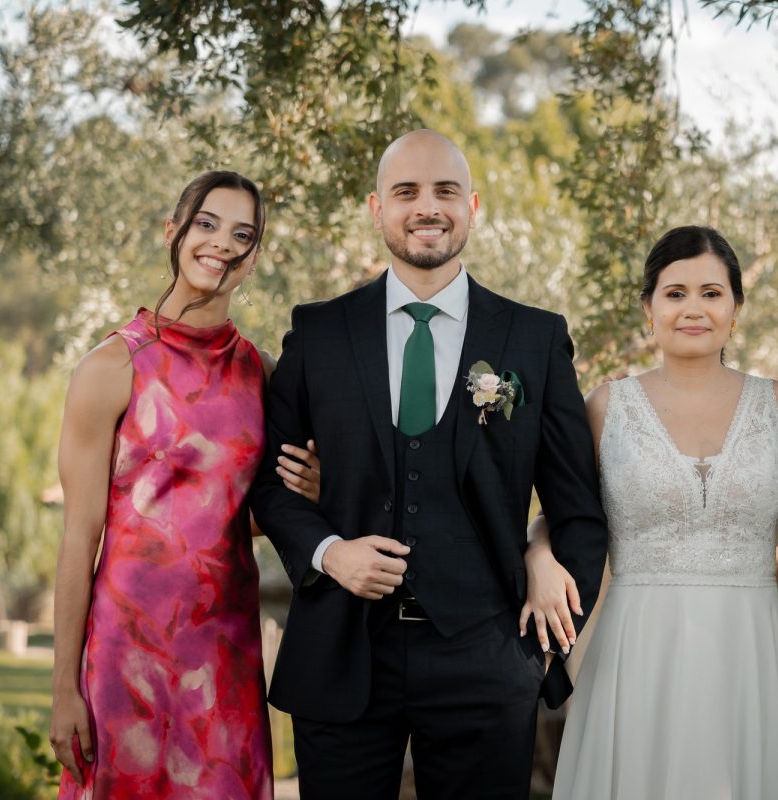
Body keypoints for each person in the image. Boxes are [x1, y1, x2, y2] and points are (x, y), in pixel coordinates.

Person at [248, 129, 609, 799]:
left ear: (472, 206)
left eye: (445, 191)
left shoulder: (533, 338)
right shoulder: (320, 332)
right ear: (376, 209)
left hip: (487, 659)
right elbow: (270, 484)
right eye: (406, 191)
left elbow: (580, 511)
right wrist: (329, 552)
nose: (427, 207)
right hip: (342, 650)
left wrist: (541, 645)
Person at [49, 171, 321, 799]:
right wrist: (64, 686)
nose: (222, 243)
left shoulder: (263, 374)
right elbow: (79, 538)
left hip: (225, 653)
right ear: (172, 230)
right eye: (207, 223)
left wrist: (308, 490)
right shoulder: (111, 366)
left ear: (254, 258)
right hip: (126, 651)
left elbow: (240, 512)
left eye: (242, 235)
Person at [525, 225, 778, 799]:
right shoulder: (606, 406)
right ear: (649, 307)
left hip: (750, 649)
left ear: (736, 307)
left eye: (712, 293)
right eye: (675, 293)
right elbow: (558, 513)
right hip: (638, 649)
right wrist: (537, 557)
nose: (694, 308)